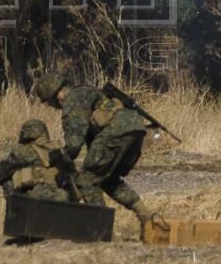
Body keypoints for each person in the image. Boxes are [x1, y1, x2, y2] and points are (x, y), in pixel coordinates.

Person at [32, 73, 156, 237]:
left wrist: (55, 161)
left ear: (56, 95)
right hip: (135, 130)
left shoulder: (72, 101)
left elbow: (74, 145)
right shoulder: (87, 91)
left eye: (49, 102)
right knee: (107, 179)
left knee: (87, 180)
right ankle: (146, 217)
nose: (53, 107)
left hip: (116, 132)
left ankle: (101, 231)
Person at [0, 119, 70, 202]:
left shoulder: (21, 150)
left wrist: (19, 174)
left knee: (8, 181)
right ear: (44, 132)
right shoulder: (59, 149)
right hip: (61, 198)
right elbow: (71, 172)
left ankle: (13, 211)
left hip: (31, 199)